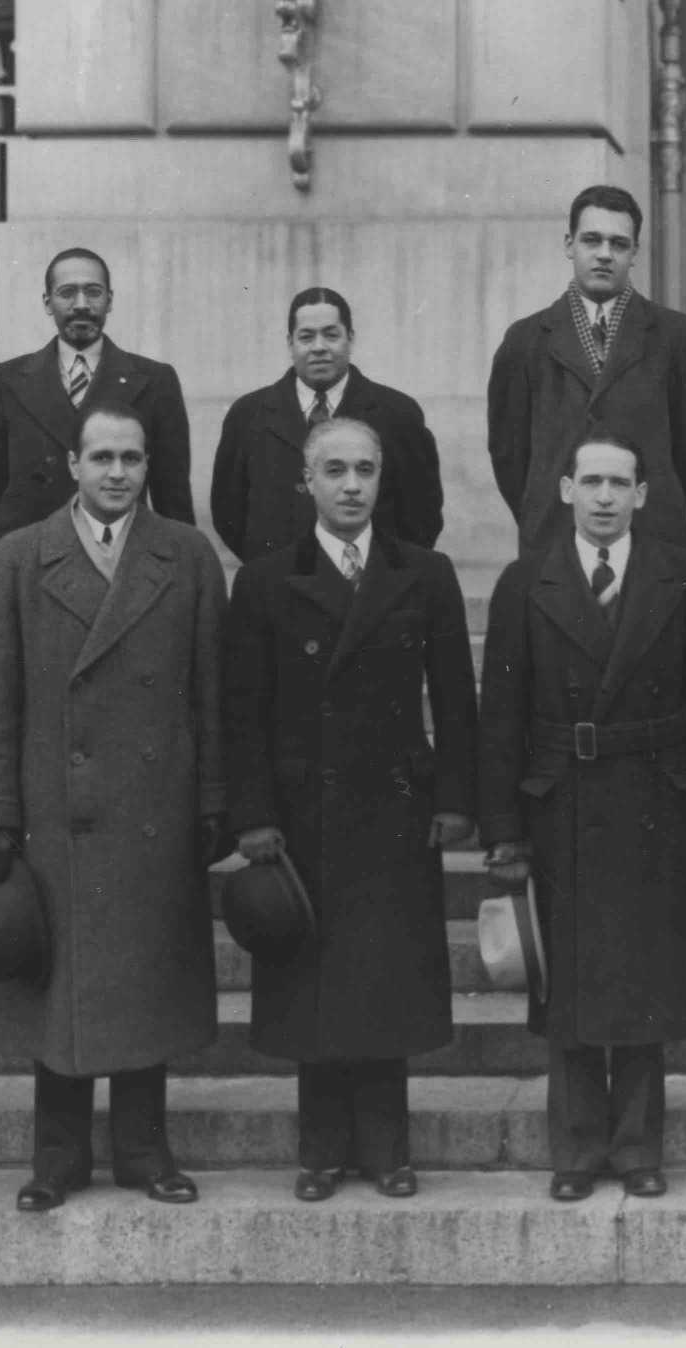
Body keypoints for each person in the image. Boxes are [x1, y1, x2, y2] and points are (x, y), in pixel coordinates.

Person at [0, 402, 227, 1213]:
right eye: (103, 457)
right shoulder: (17, 556)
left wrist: (215, 801)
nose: (118, 472)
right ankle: (58, 1157)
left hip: (156, 807)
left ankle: (147, 1152)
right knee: (61, 990)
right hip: (56, 809)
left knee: (144, 982)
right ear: (73, 466)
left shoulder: (186, 555)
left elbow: (213, 695)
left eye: (133, 458)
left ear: (151, 468)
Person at [223, 417, 479, 1203]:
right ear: (307, 481)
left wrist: (455, 799)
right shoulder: (267, 579)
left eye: (365, 469)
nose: (351, 485)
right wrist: (255, 814)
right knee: (315, 984)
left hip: (394, 811)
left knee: (386, 983)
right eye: (334, 470)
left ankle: (389, 1149)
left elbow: (457, 701)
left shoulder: (423, 573)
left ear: (381, 478)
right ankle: (321, 1151)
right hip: (303, 817)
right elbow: (243, 710)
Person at [477, 433, 686, 1201]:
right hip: (564, 801)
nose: (606, 497)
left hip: (656, 796)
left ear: (645, 495)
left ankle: (639, 1147)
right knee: (571, 984)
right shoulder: (526, 583)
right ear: (564, 490)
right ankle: (578, 1151)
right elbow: (501, 717)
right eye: (591, 482)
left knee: (645, 981)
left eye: (621, 482)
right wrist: (506, 831)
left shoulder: (684, 579)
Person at [487, 185, 686, 551]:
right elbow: (509, 455)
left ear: (635, 252)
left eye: (619, 244)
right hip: (554, 536)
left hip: (651, 536)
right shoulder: (526, 340)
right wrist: (544, 509)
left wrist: (655, 505)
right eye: (591, 240)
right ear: (569, 245)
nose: (604, 254)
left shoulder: (674, 335)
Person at [0, 247, 196, 596]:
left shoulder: (154, 380)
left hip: (121, 562)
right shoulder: (7, 380)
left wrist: (182, 579)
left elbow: (173, 496)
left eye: (92, 292)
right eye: (66, 293)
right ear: (47, 302)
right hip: (31, 563)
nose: (80, 304)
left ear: (109, 300)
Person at [211, 285, 445, 559]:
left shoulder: (398, 414)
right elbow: (229, 513)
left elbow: (422, 514)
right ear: (290, 343)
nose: (319, 347)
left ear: (350, 338)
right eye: (306, 337)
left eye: (331, 335)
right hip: (277, 589)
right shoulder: (248, 415)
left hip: (371, 589)